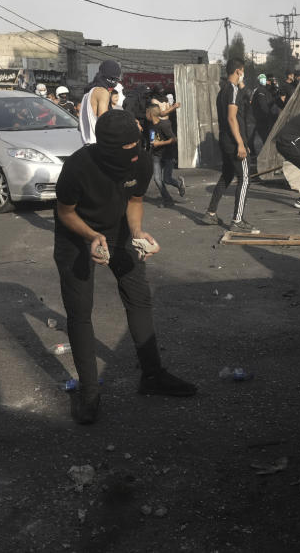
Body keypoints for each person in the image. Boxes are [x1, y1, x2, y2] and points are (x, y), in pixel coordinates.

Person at [54, 109, 196, 425]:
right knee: (80, 312)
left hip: (118, 232)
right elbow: (65, 212)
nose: (134, 160)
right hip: (77, 237)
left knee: (140, 299)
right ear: (106, 150)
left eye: (136, 151)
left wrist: (136, 232)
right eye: (126, 154)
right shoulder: (78, 167)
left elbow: (134, 200)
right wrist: (91, 236)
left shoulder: (141, 160)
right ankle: (89, 393)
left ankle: (152, 376)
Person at [204, 58, 256, 231]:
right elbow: (232, 118)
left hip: (226, 140)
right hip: (233, 142)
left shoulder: (224, 90)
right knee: (245, 178)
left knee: (227, 175)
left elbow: (245, 104)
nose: (243, 74)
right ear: (238, 71)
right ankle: (237, 220)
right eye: (243, 71)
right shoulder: (232, 89)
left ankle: (210, 213)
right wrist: (240, 143)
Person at [146, 104, 184, 205]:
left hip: (167, 155)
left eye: (146, 113)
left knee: (167, 179)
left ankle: (179, 183)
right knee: (157, 179)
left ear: (150, 114)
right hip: (156, 155)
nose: (145, 115)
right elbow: (152, 139)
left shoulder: (164, 125)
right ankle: (168, 199)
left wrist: (160, 143)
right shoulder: (150, 125)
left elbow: (174, 139)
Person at [78, 60, 121, 145]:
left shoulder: (88, 93)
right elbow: (104, 122)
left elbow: (80, 126)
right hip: (99, 146)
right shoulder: (102, 92)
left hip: (87, 145)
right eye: (115, 79)